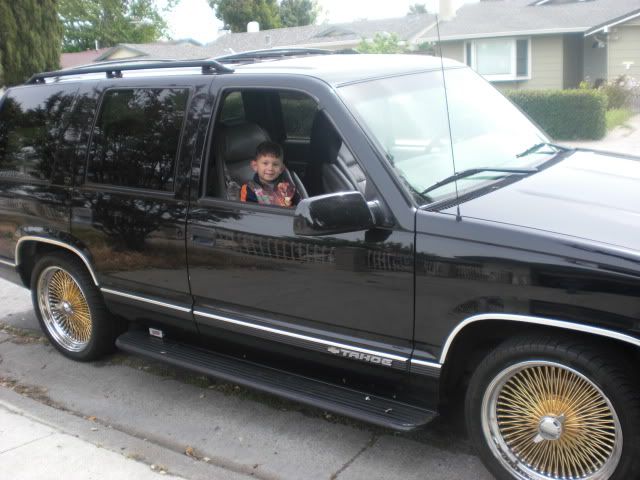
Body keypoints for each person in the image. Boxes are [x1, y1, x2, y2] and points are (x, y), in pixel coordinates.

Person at [240, 141, 299, 207]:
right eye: (265, 163)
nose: (270, 168)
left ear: (281, 169)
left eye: (275, 164)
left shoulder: (288, 187)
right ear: (255, 166)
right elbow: (249, 212)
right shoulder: (250, 189)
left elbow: (298, 207)